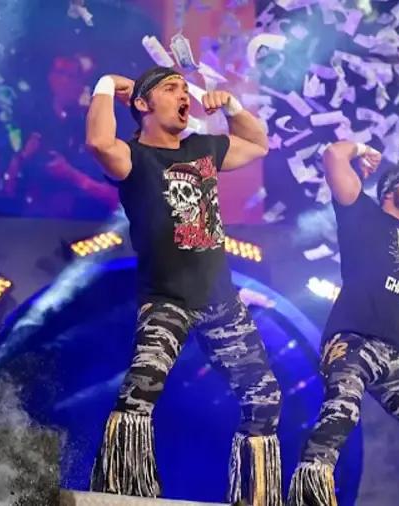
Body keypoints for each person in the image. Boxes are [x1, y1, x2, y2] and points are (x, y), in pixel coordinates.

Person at [85, 66, 282, 505]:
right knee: (139, 394)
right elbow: (98, 142)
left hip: (221, 302)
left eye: (183, 88)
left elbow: (258, 144)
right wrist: (105, 85)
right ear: (142, 104)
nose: (183, 95)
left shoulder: (201, 148)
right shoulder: (134, 157)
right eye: (170, 88)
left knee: (265, 397)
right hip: (167, 300)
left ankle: (255, 496)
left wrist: (232, 106)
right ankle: (123, 495)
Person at [287, 141, 399, 506]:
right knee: (342, 411)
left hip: (392, 355)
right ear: (390, 192)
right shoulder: (363, 215)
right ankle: (307, 496)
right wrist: (361, 149)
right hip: (352, 340)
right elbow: (333, 155)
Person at [5, 52, 118, 218]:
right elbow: (8, 185)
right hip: (36, 220)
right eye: (60, 74)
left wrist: (71, 175)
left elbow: (116, 197)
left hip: (86, 221)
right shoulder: (32, 122)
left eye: (73, 77)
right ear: (50, 79)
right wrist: (21, 158)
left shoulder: (95, 127)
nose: (66, 82)